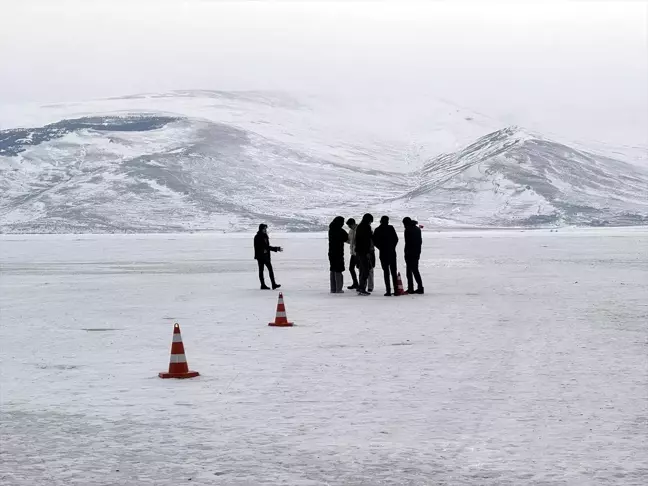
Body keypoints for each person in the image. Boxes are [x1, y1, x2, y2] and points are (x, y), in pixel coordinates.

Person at [372, 215, 399, 296]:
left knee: (386, 272)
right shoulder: (391, 228)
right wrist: (392, 247)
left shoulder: (377, 229)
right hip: (392, 252)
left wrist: (381, 248)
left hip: (383, 253)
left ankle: (388, 291)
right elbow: (396, 239)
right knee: (393, 272)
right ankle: (396, 290)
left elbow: (375, 241)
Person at [253, 223, 282, 290]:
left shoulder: (264, 236)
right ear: (261, 229)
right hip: (261, 257)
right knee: (262, 270)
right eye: (264, 228)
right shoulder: (258, 237)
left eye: (266, 228)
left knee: (269, 270)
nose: (265, 230)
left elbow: (266, 247)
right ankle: (263, 285)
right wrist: (276, 248)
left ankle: (273, 284)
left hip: (265, 256)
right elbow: (264, 247)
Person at [354, 213, 374, 296]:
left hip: (359, 251)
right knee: (366, 270)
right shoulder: (367, 227)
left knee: (362, 269)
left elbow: (357, 240)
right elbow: (367, 241)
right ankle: (362, 288)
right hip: (364, 252)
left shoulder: (359, 227)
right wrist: (368, 252)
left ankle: (360, 287)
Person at [402, 217, 424, 294]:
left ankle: (411, 288)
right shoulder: (417, 229)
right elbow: (420, 242)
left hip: (410, 253)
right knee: (415, 270)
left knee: (409, 271)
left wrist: (406, 253)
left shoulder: (408, 230)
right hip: (417, 253)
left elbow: (407, 243)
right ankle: (420, 287)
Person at [328, 216, 349, 293]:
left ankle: (333, 288)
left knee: (333, 269)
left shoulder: (331, 229)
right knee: (338, 270)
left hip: (331, 252)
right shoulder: (340, 231)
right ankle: (339, 288)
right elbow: (346, 238)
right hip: (338, 252)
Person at [345, 218, 359, 289]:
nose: (349, 227)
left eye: (350, 225)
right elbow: (350, 241)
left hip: (359, 253)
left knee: (360, 269)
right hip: (353, 253)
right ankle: (355, 283)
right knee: (351, 268)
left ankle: (362, 284)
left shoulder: (359, 229)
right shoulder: (350, 231)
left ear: (353, 224)